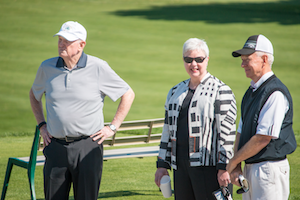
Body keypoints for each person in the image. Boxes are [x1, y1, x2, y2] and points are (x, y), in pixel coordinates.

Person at [29, 21, 135, 200]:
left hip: (88, 146)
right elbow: (34, 94)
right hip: (55, 147)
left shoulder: (98, 66)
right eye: (60, 39)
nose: (61, 44)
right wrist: (41, 125)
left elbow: (128, 94)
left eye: (67, 41)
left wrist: (112, 127)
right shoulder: (46, 68)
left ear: (81, 45)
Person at [154, 38, 237, 200]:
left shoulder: (221, 90)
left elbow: (227, 135)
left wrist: (224, 167)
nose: (194, 64)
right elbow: (167, 130)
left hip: (209, 167)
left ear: (207, 60)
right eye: (188, 59)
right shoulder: (175, 92)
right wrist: (162, 164)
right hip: (181, 167)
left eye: (199, 59)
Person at [226, 34, 297, 200]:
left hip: (268, 170)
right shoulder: (251, 92)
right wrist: (236, 165)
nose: (242, 64)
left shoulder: (275, 93)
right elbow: (241, 132)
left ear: (264, 59)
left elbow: (263, 138)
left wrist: (233, 162)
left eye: (247, 59)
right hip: (253, 169)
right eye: (242, 59)